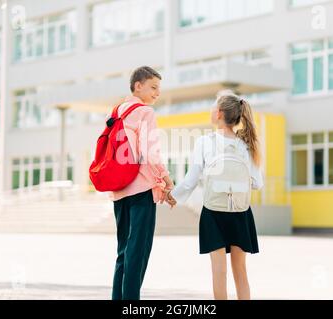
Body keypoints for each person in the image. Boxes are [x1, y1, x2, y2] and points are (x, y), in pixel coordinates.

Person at [166, 90, 263, 300]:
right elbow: (258, 183)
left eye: (212, 107)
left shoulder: (205, 142)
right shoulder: (247, 145)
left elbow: (191, 179)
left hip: (213, 212)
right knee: (241, 270)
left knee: (219, 271)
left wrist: (172, 196)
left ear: (218, 113)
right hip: (240, 212)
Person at [109, 66, 173, 300]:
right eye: (153, 87)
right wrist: (165, 178)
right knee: (139, 251)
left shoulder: (116, 111)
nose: (157, 93)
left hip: (118, 189)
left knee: (123, 252)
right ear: (138, 86)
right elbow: (150, 151)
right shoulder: (144, 112)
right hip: (141, 188)